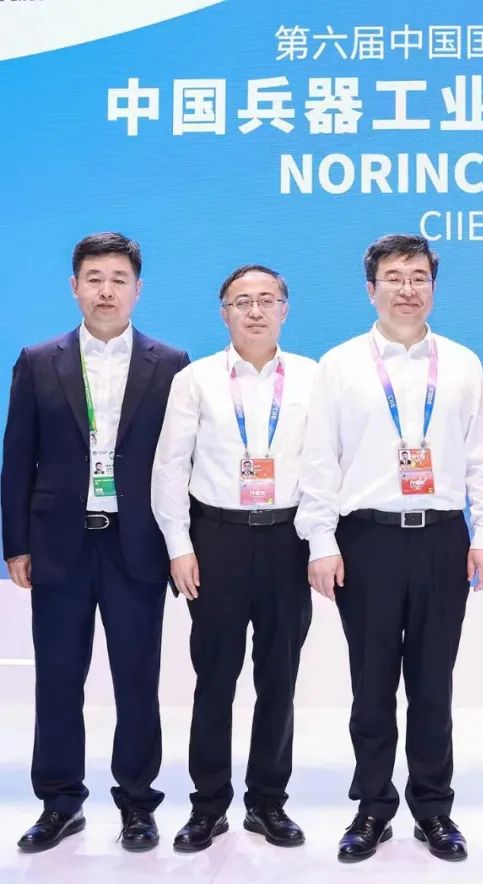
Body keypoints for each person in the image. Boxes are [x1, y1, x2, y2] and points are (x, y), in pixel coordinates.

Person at [297, 234, 483, 863]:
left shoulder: (462, 364)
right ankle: (372, 806)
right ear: (371, 289)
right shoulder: (339, 365)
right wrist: (321, 541)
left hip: (443, 539)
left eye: (419, 277)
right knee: (371, 683)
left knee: (433, 683)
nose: (407, 289)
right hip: (366, 541)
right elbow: (319, 461)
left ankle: (434, 808)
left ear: (433, 287)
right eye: (394, 277)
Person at [1, 233, 189, 852]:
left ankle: (137, 803)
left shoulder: (171, 363)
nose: (106, 290)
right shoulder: (38, 360)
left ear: (138, 289)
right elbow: (17, 457)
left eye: (118, 279)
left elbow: (180, 462)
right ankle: (60, 803)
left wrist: (180, 543)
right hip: (60, 545)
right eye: (94, 278)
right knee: (58, 679)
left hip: (137, 545)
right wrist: (16, 544)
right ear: (74, 286)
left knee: (137, 679)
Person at [151, 265, 316, 852]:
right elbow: (170, 467)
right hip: (215, 540)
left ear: (285, 309)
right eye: (241, 301)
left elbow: (326, 465)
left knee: (279, 678)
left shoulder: (312, 377)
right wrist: (179, 547)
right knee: (214, 677)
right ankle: (208, 804)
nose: (255, 311)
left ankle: (268, 802)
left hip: (288, 540)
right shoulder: (195, 379)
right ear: (224, 313)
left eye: (266, 299)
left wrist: (320, 543)